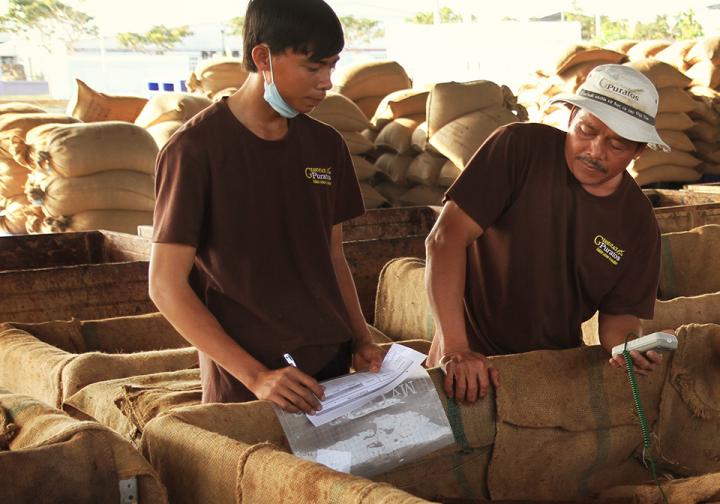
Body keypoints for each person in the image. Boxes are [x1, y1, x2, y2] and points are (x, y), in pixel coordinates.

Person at [148, 0, 385, 414]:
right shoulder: (195, 151)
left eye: (332, 66)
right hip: (248, 387)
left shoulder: (325, 146)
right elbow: (165, 286)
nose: (326, 82)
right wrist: (256, 376)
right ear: (263, 58)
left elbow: (332, 255)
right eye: (313, 68)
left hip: (331, 370)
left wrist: (361, 339)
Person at [425, 64, 667, 404]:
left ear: (638, 151)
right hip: (467, 365)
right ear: (570, 116)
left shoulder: (637, 222)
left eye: (617, 144)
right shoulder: (519, 148)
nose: (595, 150)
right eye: (586, 130)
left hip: (549, 374)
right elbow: (444, 240)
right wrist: (456, 349)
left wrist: (629, 348)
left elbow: (619, 318)